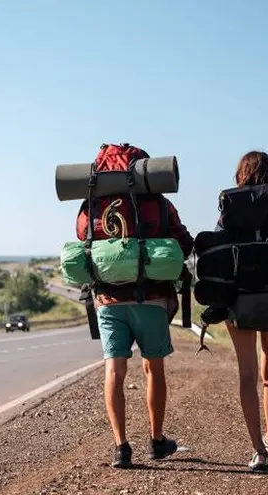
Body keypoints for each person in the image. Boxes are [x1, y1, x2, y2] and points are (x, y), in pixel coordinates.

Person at [75, 145, 194, 468]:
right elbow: (183, 242)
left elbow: (82, 238)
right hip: (152, 298)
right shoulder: (158, 202)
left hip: (109, 300)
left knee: (114, 369)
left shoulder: (92, 203)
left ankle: (120, 447)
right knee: (153, 368)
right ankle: (156, 441)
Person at [221, 150, 268, 472]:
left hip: (239, 302)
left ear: (240, 174)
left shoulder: (230, 206)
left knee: (246, 376)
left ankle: (258, 452)